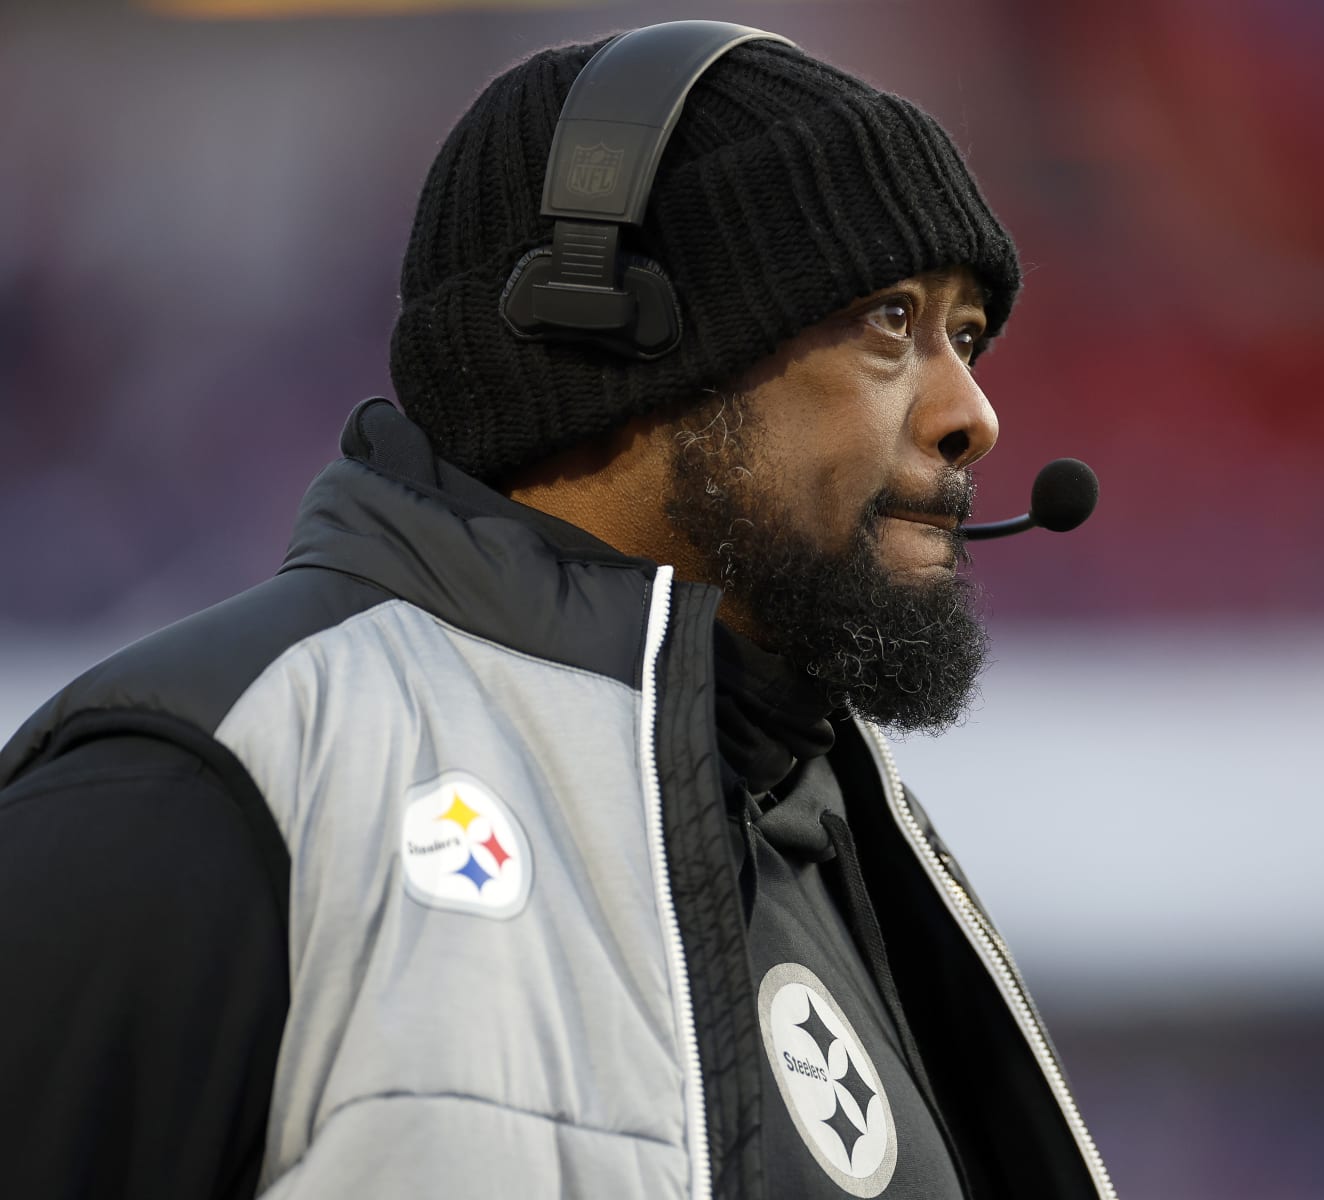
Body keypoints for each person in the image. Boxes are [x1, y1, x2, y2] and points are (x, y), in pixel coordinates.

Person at [0, 26, 1114, 1200]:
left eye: (968, 336)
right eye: (893, 322)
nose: (973, 413)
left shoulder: (848, 850)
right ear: (604, 333)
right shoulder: (205, 790)